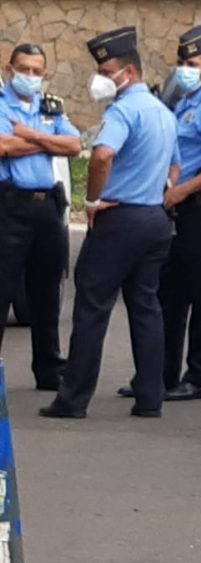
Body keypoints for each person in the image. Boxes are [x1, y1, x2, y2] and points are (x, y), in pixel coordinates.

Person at [39, 27, 180, 419]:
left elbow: (101, 157)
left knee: (92, 306)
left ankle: (72, 399)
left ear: (129, 73)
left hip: (120, 219)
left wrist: (93, 200)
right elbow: (176, 164)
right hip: (154, 218)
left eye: (107, 69)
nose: (101, 77)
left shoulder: (124, 110)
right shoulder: (162, 112)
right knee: (146, 306)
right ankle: (150, 397)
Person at [117, 25, 201, 402]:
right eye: (181, 62)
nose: (185, 68)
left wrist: (183, 189)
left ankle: (199, 378)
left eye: (193, 63)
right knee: (168, 295)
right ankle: (160, 375)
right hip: (177, 213)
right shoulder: (184, 101)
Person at [0, 44, 82, 391]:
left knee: (47, 292)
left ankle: (49, 369)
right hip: (10, 206)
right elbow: (4, 147)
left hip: (48, 206)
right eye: (24, 69)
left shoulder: (49, 107)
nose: (30, 76)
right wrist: (51, 141)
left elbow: (75, 145)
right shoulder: (2, 105)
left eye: (37, 71)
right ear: (9, 69)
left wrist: (31, 135)